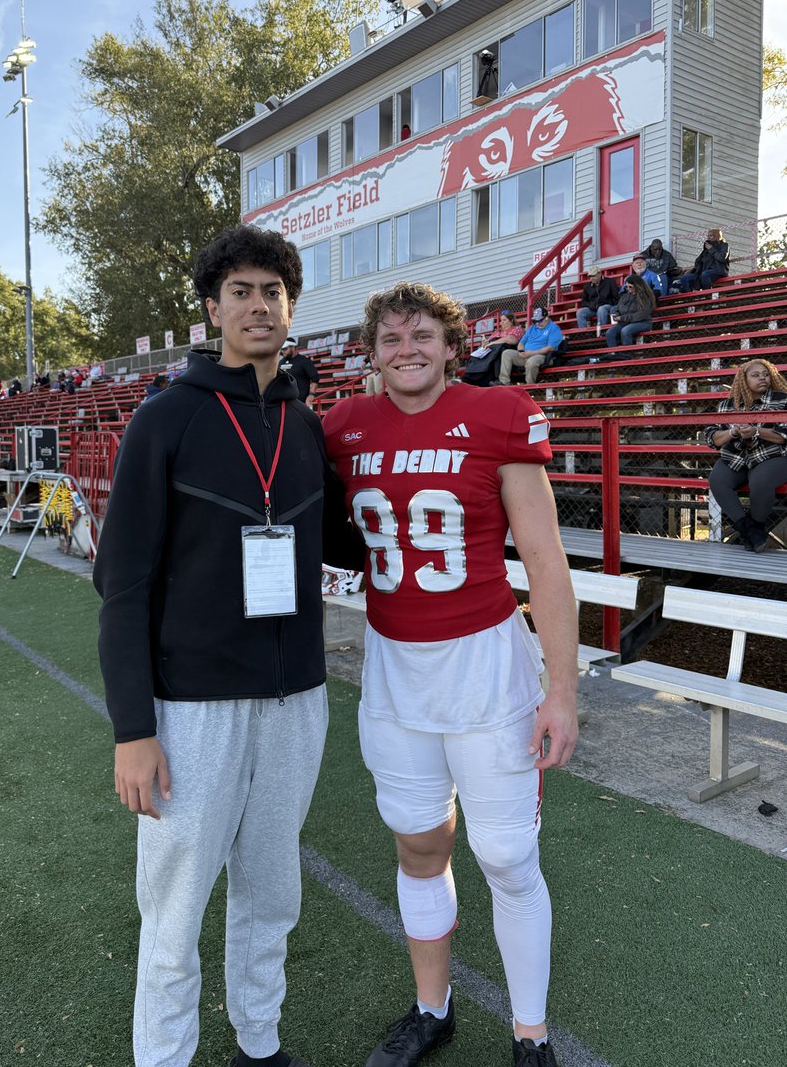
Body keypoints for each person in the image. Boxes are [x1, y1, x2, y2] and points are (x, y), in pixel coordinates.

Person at [94, 224, 360, 1067]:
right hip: (189, 708)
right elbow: (122, 585)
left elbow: (352, 543)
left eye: (273, 292)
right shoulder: (165, 418)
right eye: (240, 291)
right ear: (212, 308)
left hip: (297, 699)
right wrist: (133, 729)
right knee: (175, 907)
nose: (258, 305)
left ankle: (259, 1042)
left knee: (272, 891)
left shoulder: (308, 427)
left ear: (291, 308)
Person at [322, 281, 578, 1067]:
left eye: (423, 334)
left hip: (487, 665)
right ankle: (432, 1009)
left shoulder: (498, 413)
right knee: (419, 847)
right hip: (395, 667)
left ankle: (530, 1033)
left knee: (506, 854)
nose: (408, 348)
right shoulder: (342, 426)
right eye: (392, 337)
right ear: (370, 352)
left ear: (451, 344)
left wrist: (562, 690)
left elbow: (544, 558)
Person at [704, 359, 787, 553]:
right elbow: (711, 438)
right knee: (717, 479)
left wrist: (756, 431)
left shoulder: (782, 400)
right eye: (756, 375)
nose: (762, 378)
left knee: (760, 480)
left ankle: (756, 526)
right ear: (744, 379)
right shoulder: (726, 405)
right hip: (737, 456)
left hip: (773, 455)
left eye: (766, 374)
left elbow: (784, 435)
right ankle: (749, 530)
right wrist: (732, 433)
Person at [498, 306, 564, 386]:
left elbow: (550, 348)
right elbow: (521, 343)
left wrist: (531, 353)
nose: (538, 323)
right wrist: (521, 351)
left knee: (531, 362)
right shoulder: (532, 328)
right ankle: (504, 382)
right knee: (507, 353)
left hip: (543, 356)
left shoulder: (554, 328)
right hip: (526, 355)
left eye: (540, 320)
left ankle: (530, 386)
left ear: (546, 318)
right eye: (536, 321)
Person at [462, 311, 524, 386]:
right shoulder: (497, 331)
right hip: (492, 351)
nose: (502, 322)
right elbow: (489, 342)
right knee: (476, 355)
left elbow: (511, 340)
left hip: (504, 352)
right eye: (501, 320)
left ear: (511, 320)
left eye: (504, 320)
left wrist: (493, 343)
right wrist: (485, 343)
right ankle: (469, 377)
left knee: (497, 351)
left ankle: (477, 378)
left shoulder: (516, 329)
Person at [604, 274, 656, 348]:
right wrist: (616, 314)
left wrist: (622, 318)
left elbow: (640, 315)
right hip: (625, 322)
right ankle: (613, 354)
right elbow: (618, 308)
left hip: (643, 322)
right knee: (610, 332)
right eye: (626, 287)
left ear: (637, 286)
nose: (628, 289)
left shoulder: (645, 297)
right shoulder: (625, 296)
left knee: (625, 331)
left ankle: (627, 355)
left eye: (630, 287)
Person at [279, 337, 320, 406]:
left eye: (285, 349)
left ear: (293, 347)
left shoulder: (304, 361)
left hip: (299, 401)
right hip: (283, 401)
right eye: (282, 349)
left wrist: (311, 395)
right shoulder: (280, 362)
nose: (283, 351)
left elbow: (315, 379)